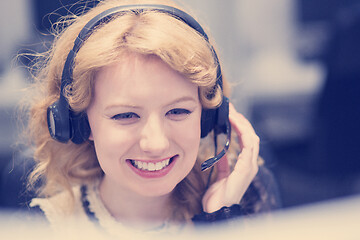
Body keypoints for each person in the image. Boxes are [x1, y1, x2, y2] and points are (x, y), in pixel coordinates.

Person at [22, 0, 280, 236]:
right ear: (79, 122)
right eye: (125, 115)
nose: (156, 144)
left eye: (178, 111)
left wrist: (221, 218)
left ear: (209, 116)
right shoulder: (47, 226)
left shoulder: (245, 196)